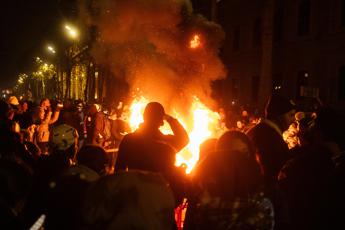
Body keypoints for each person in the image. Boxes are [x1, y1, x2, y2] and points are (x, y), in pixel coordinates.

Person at [185, 131, 273, 230]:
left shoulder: (265, 193)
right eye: (232, 156)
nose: (239, 161)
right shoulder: (203, 198)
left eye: (244, 153)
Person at [116, 102, 189, 202]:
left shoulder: (129, 140)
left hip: (134, 194)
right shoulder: (165, 143)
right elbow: (184, 139)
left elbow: (119, 170)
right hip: (156, 197)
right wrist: (170, 119)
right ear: (161, 121)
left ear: (144, 117)